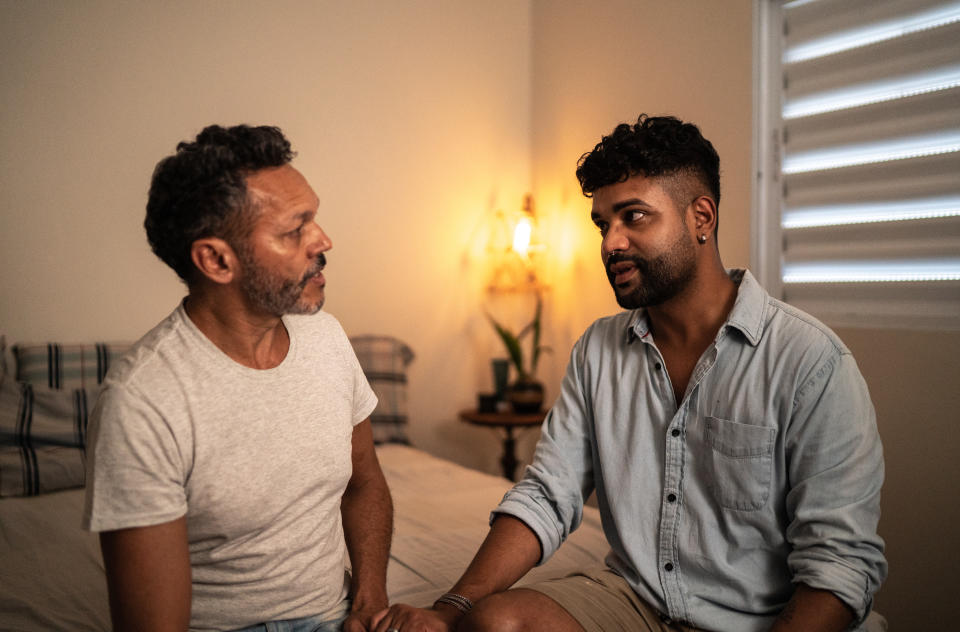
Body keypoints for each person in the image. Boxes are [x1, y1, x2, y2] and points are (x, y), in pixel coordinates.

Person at [372, 115, 886, 632]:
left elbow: (838, 565)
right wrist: (451, 607)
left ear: (701, 217)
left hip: (759, 619)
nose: (610, 243)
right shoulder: (598, 349)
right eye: (603, 224)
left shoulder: (810, 361)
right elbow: (549, 493)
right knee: (495, 622)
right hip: (635, 602)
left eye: (634, 216)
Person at [83, 125, 393, 632]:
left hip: (335, 614)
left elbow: (364, 483)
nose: (323, 241)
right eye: (295, 230)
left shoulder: (327, 339)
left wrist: (369, 599)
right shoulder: (142, 401)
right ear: (217, 260)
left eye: (314, 218)